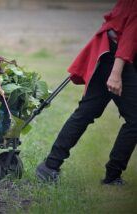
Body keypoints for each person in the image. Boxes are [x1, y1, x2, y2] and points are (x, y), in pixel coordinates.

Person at [36, 0, 137, 185]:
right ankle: (113, 176)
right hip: (117, 57)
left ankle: (50, 166)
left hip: (111, 53)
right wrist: (115, 74)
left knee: (86, 112)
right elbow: (130, 36)